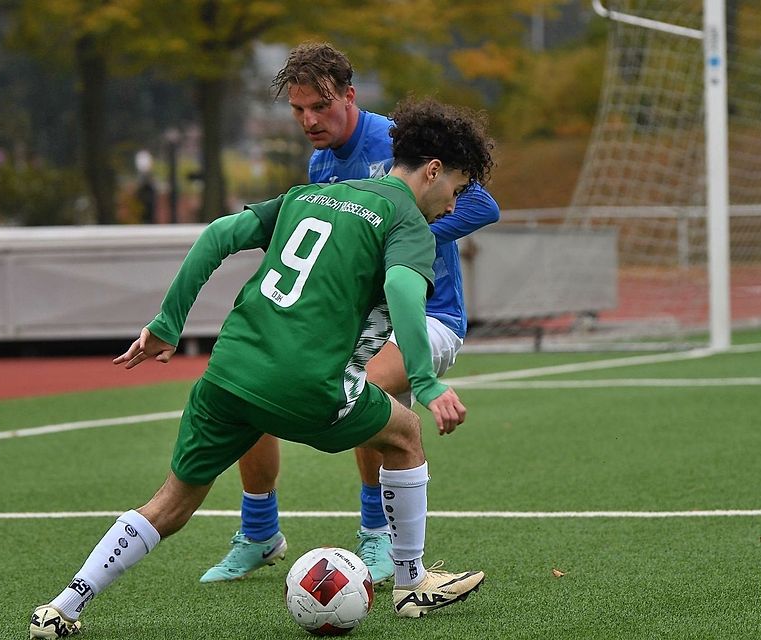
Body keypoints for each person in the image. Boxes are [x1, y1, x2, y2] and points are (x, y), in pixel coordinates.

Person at [28, 96, 495, 639]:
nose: (452, 205)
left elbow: (218, 235)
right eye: (456, 190)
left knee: (171, 503)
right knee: (405, 431)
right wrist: (427, 380)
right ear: (433, 171)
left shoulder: (310, 194)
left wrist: (167, 322)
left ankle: (64, 605)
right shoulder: (408, 222)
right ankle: (413, 583)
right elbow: (400, 289)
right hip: (307, 384)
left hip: (228, 373)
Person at [199, 42, 500, 587]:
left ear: (350, 97)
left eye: (321, 106)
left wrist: (396, 245)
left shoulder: (393, 143)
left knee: (364, 391)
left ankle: (377, 536)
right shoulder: (320, 161)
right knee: (251, 380)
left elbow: (482, 205)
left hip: (429, 316)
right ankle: (260, 531)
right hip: (359, 321)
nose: (309, 120)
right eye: (298, 110)